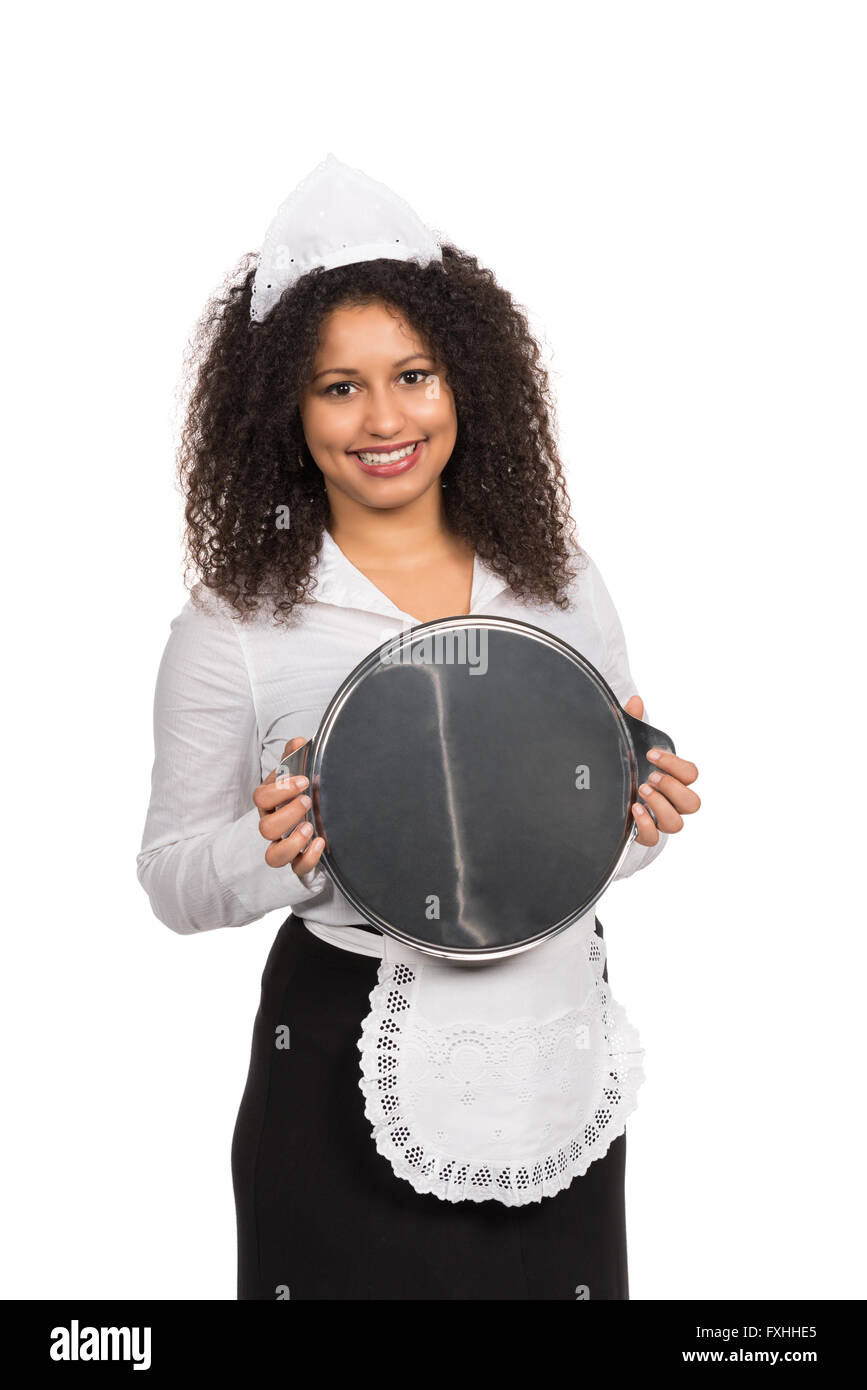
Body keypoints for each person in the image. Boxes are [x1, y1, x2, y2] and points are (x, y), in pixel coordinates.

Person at [136, 156, 700, 1300]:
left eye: (414, 374)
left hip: (549, 1053)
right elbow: (170, 879)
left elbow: (587, 839)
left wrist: (641, 812)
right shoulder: (233, 623)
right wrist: (272, 849)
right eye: (338, 386)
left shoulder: (556, 581)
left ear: (465, 381)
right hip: (339, 1060)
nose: (384, 418)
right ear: (282, 408)